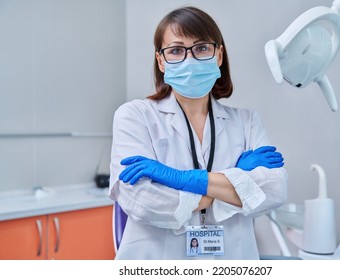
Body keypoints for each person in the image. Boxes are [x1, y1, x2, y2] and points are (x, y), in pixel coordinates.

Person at [109, 6, 287, 260]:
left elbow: (274, 191)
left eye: (202, 48)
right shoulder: (134, 116)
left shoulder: (247, 121)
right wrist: (238, 182)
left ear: (219, 55)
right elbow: (144, 202)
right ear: (161, 60)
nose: (189, 60)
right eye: (176, 50)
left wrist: (178, 178)